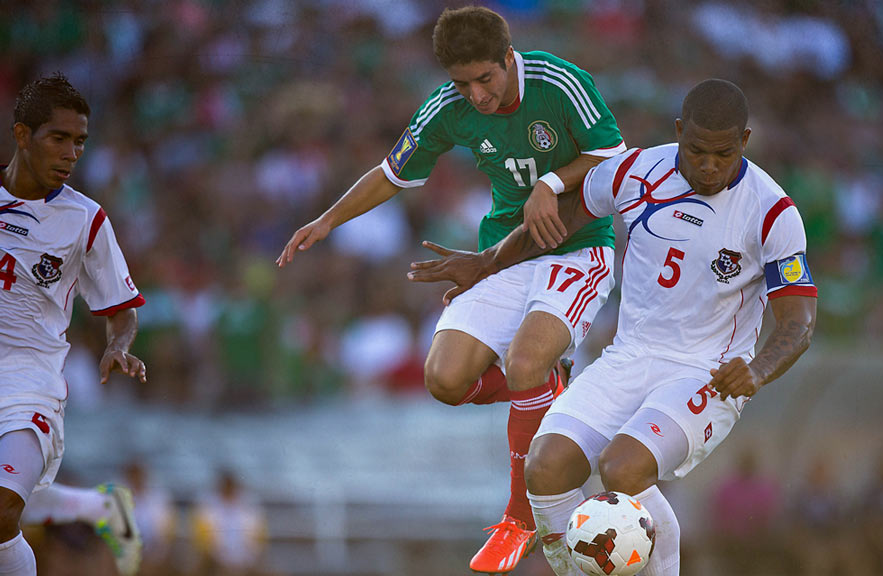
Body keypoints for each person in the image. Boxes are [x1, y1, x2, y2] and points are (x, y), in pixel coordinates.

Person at [408, 78, 818, 575]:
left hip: (705, 372)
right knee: (546, 467)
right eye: (696, 150)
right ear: (678, 131)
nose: (709, 165)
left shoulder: (772, 211)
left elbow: (798, 322)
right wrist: (489, 261)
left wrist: (756, 370)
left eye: (723, 154)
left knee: (622, 469)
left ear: (745, 142)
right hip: (629, 355)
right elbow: (561, 221)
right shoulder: (635, 171)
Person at [277, 6, 626, 572]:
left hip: (577, 247)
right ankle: (547, 387)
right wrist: (327, 221)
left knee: (525, 361)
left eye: (485, 79)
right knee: (443, 379)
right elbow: (393, 172)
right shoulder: (449, 106)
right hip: (501, 253)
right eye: (463, 83)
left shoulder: (559, 80)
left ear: (509, 58)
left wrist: (552, 182)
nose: (477, 95)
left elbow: (614, 154)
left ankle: (522, 518)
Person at [0, 73, 146, 575]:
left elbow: (121, 310)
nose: (71, 153)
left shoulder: (85, 219)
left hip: (29, 378)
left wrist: (118, 344)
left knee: (2, 511)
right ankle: (97, 507)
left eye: (79, 142)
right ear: (23, 135)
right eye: (58, 138)